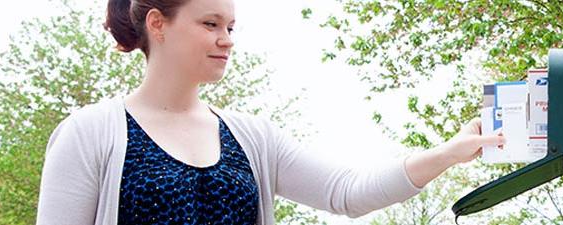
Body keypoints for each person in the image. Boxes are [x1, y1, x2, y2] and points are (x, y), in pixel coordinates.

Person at [34, 0, 505, 224]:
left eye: (232, 27)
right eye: (210, 24)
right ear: (158, 24)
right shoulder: (90, 134)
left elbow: (347, 192)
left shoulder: (251, 137)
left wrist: (448, 153)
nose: (227, 40)